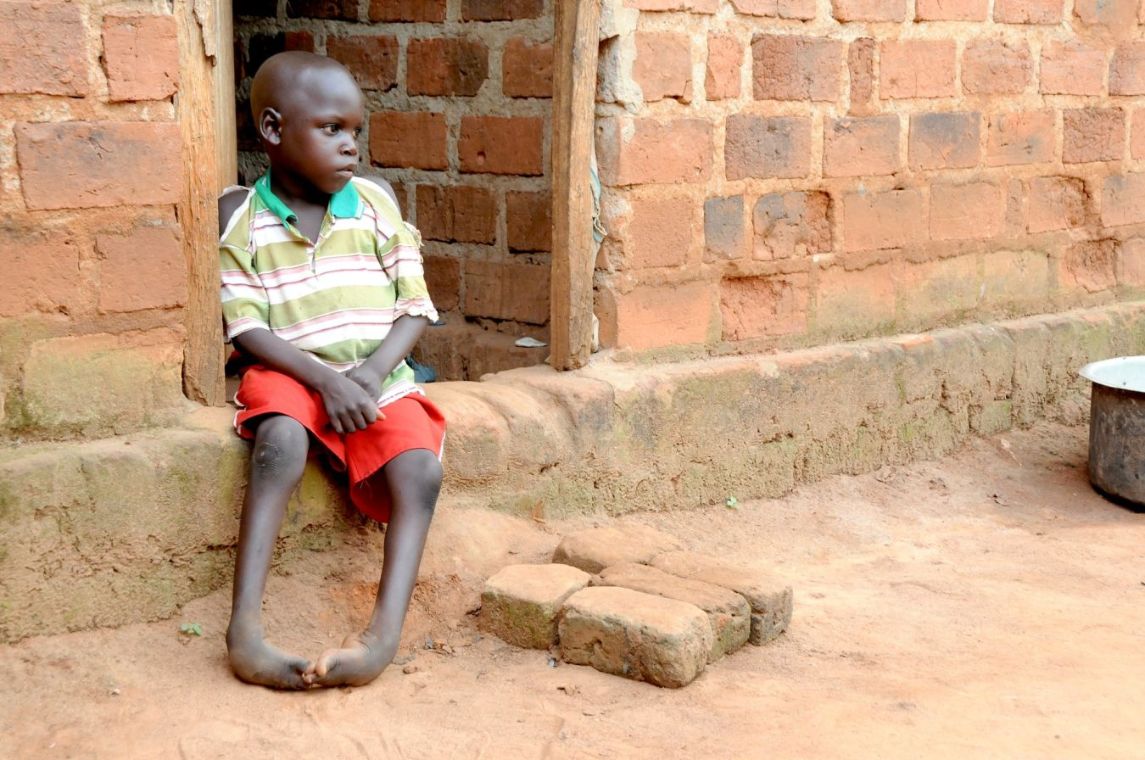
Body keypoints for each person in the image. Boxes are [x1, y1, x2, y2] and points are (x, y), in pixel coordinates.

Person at [217, 51, 445, 690]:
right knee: (280, 440)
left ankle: (379, 641)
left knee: (420, 470)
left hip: (376, 375)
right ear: (271, 130)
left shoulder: (374, 202)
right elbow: (248, 327)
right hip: (292, 373)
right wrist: (324, 380)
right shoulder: (241, 216)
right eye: (331, 129)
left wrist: (369, 375)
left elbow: (414, 305)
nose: (350, 147)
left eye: (355, 131)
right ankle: (246, 634)